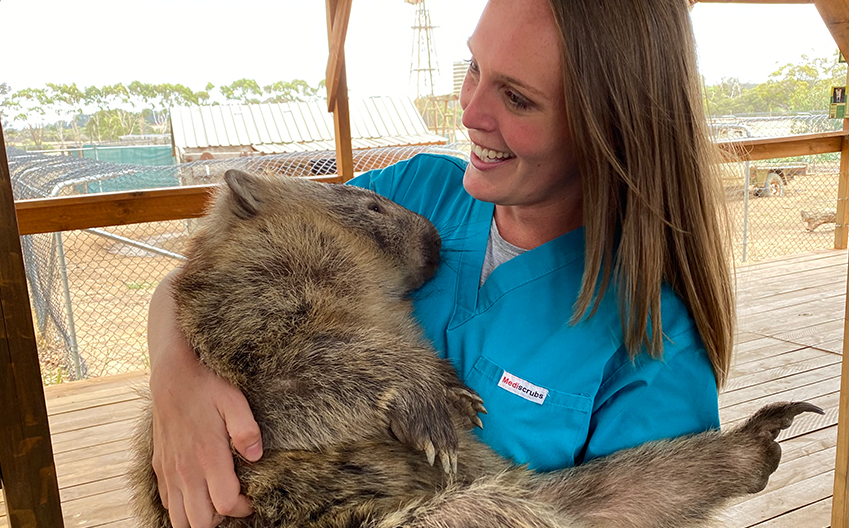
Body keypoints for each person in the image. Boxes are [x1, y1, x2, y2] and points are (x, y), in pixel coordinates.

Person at [146, 0, 735, 526]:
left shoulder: (656, 344)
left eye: (517, 97)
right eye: (474, 67)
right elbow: (221, 273)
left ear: (609, 127)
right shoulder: (415, 190)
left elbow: (618, 504)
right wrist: (177, 376)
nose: (471, 112)